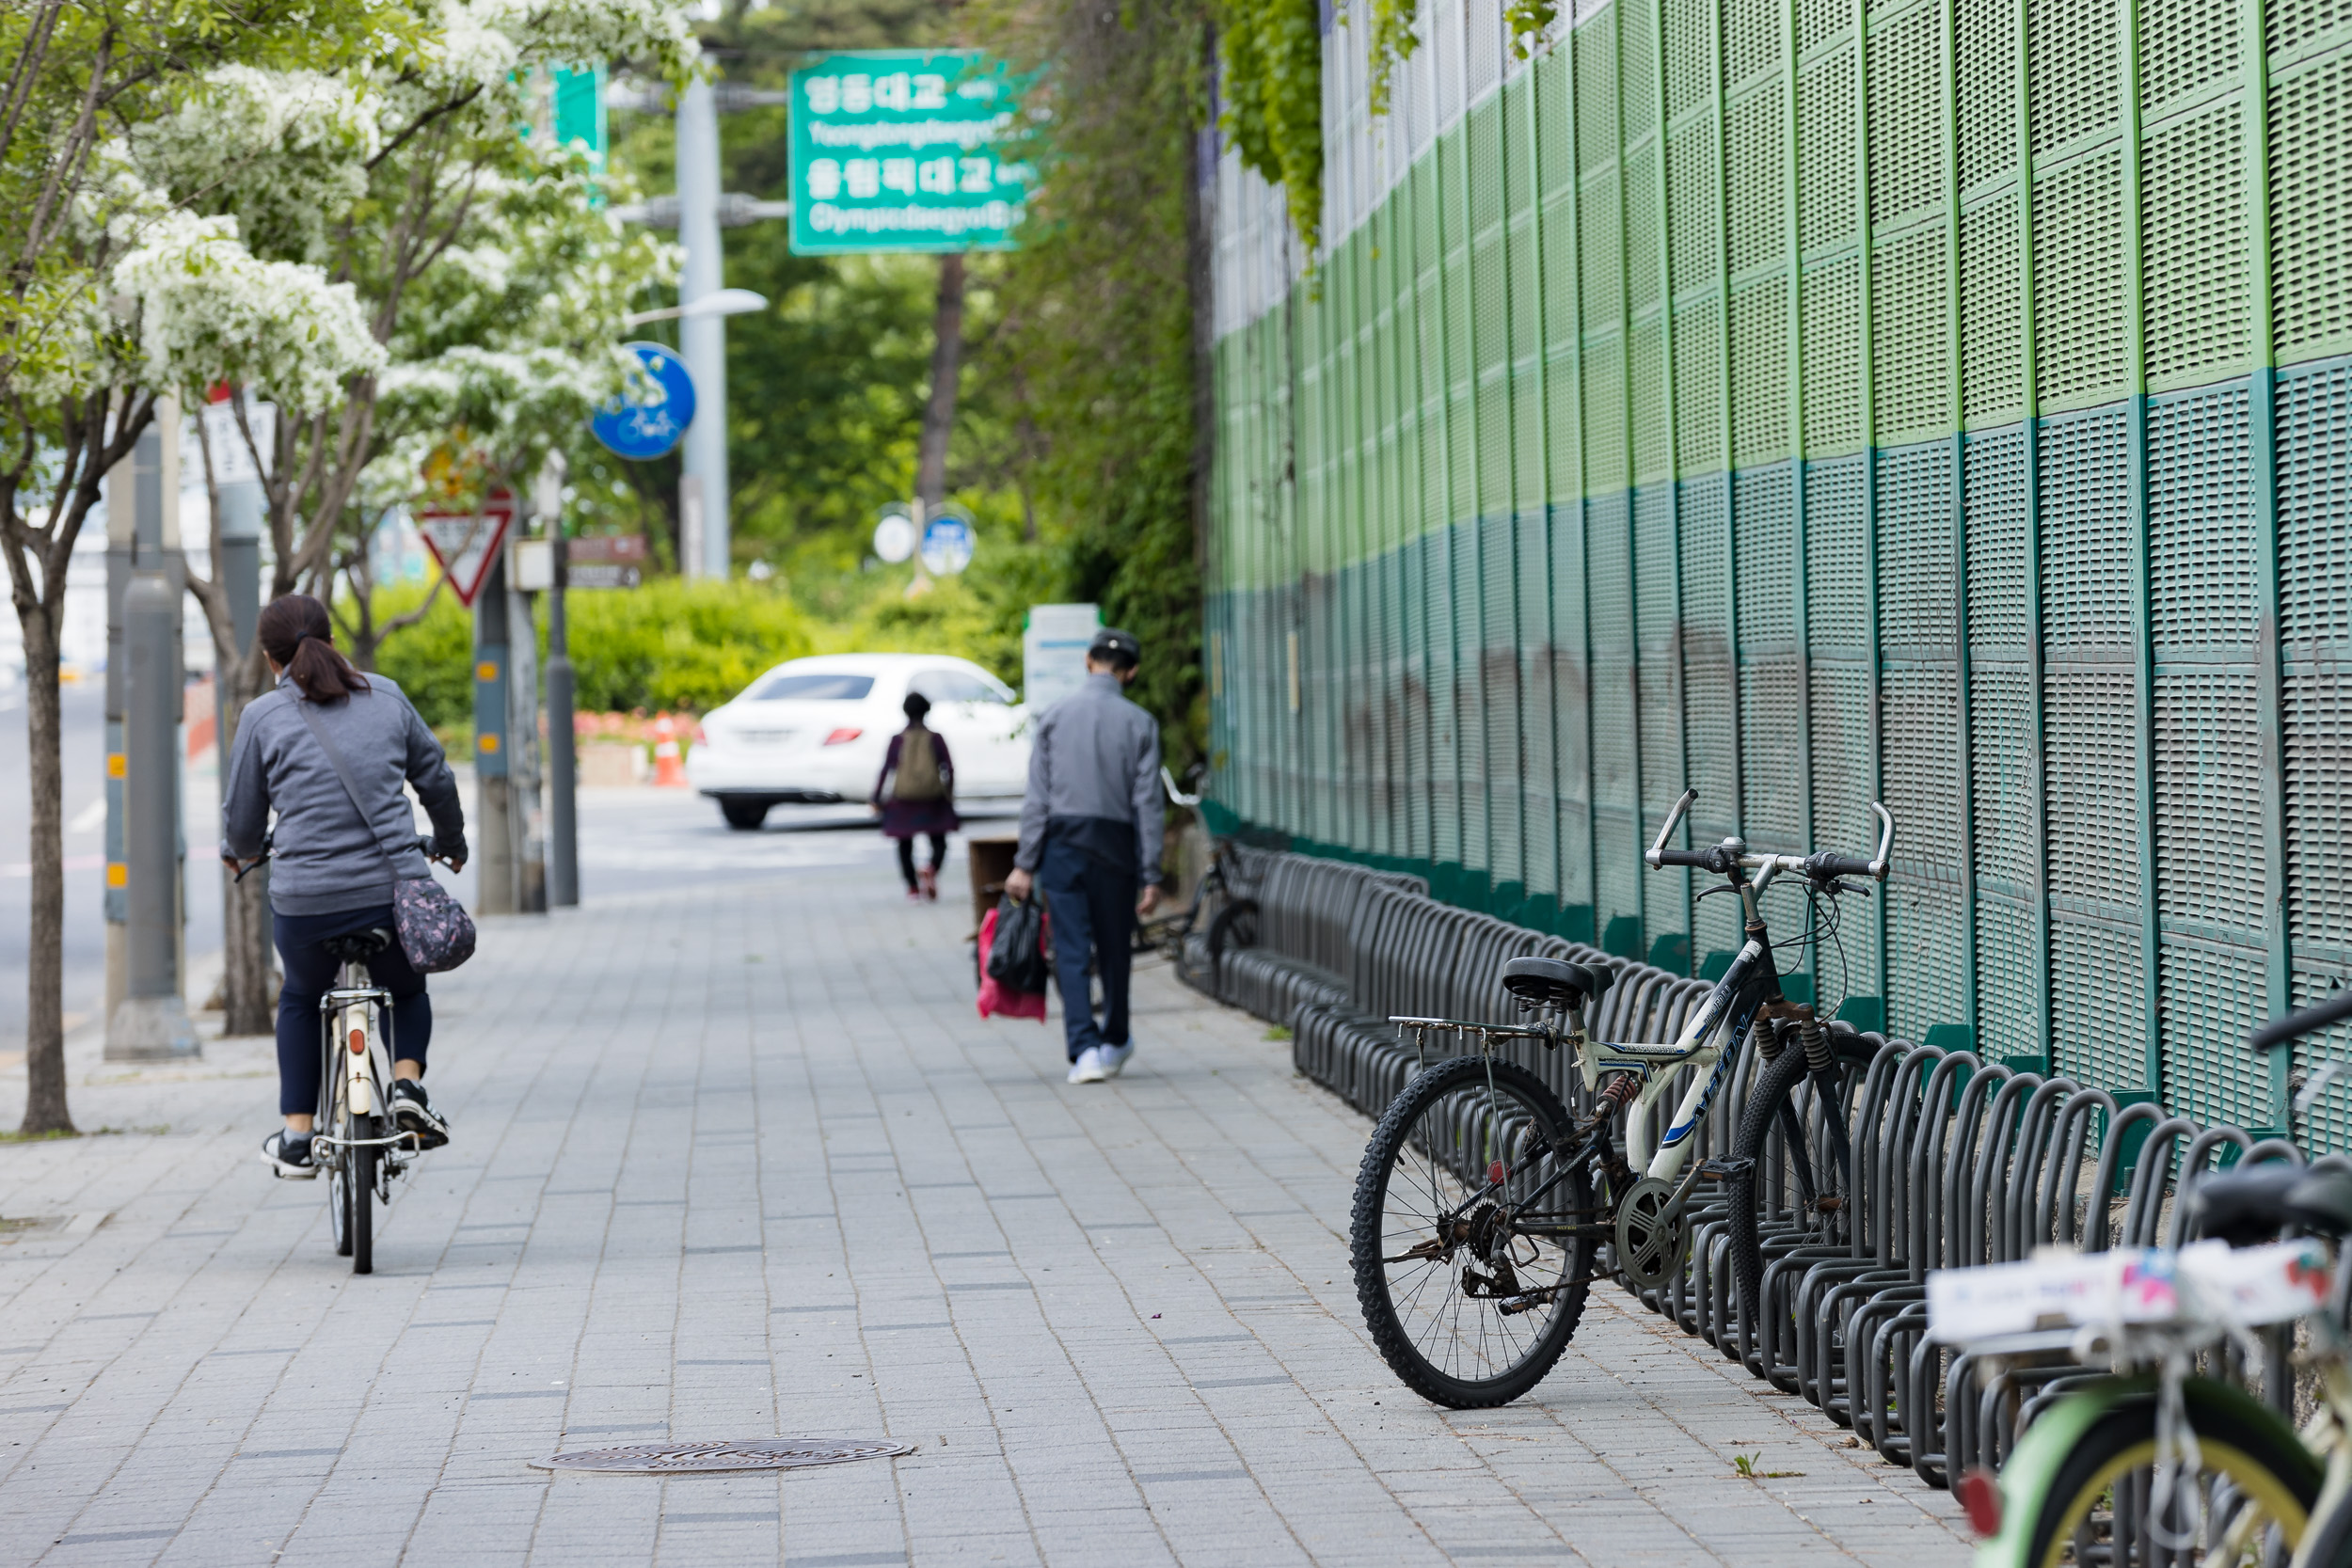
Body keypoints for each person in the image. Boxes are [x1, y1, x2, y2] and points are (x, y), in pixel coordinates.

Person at [220, 594, 467, 1178]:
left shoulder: (261, 717)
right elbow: (436, 779)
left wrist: (243, 852)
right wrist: (450, 842)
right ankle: (407, 1088)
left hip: (307, 903)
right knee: (405, 991)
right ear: (332, 641)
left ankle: (298, 1136)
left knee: (302, 999)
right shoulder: (385, 696)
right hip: (393, 895)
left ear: (268, 657)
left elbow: (242, 818)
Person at [1004, 628, 1163, 1085]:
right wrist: (1152, 872)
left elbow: (1038, 798)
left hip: (1062, 846)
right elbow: (1147, 804)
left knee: (1070, 949)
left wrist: (1024, 862)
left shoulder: (1054, 717)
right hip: (1117, 848)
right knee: (1115, 948)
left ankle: (1085, 1049)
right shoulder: (1141, 723)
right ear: (1130, 671)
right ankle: (1116, 1037)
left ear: (1087, 662)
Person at [872, 689, 960, 901]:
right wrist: (948, 794)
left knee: (904, 844)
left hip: (904, 798)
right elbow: (948, 768)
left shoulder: (898, 739)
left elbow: (887, 769)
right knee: (939, 841)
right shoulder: (935, 738)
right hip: (933, 798)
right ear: (927, 711)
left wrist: (876, 798)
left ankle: (912, 888)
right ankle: (931, 867)